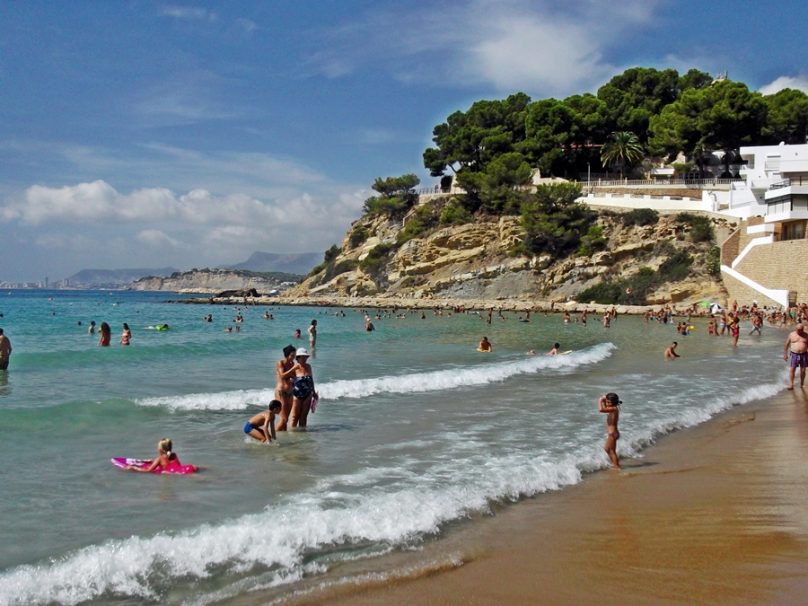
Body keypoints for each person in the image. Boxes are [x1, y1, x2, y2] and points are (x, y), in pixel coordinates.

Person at [284, 347, 316, 428]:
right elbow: (285, 378)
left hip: (308, 394)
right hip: (296, 395)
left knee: (303, 417)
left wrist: (314, 392)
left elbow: (311, 380)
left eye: (306, 357)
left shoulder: (308, 366)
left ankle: (302, 435)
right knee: (295, 417)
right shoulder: (294, 367)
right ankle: (293, 436)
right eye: (302, 357)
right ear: (298, 357)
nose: (305, 358)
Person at [127, 438, 195, 473]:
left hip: (177, 473)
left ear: (161, 450)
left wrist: (134, 468)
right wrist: (153, 461)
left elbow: (148, 471)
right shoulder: (174, 455)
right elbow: (168, 463)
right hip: (187, 468)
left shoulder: (159, 459)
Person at [275, 345, 296, 431]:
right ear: (287, 355)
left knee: (286, 419)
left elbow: (294, 377)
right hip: (281, 393)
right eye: (292, 355)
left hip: (290, 392)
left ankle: (284, 437)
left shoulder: (292, 364)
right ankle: (271, 437)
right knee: (284, 419)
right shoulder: (281, 363)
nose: (294, 357)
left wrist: (293, 378)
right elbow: (282, 375)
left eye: (294, 355)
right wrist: (293, 370)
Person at [598, 393, 621, 469]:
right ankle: (615, 464)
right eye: (607, 402)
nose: (607, 403)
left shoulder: (614, 409)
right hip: (612, 433)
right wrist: (605, 400)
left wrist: (600, 400)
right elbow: (605, 407)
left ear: (613, 402)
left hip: (613, 433)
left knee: (612, 451)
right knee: (607, 449)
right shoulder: (612, 408)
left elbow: (601, 409)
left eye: (608, 402)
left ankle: (617, 466)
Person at [784, 323, 808, 390]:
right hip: (794, 354)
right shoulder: (792, 334)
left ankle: (802, 384)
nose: (799, 331)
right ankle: (791, 384)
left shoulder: (806, 335)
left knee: (803, 370)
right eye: (798, 329)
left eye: (801, 329)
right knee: (792, 369)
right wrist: (785, 354)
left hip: (804, 354)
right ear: (796, 329)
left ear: (803, 329)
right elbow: (786, 344)